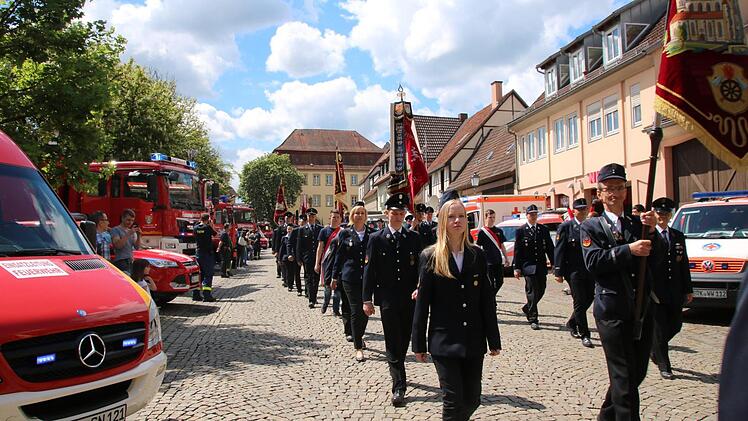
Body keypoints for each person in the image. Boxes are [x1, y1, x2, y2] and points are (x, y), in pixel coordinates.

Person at [580, 163, 662, 420]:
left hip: (640, 308)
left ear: (625, 192)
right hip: (612, 309)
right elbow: (593, 262)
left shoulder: (637, 224)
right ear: (600, 194)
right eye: (608, 189)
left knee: (636, 374)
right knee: (623, 378)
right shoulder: (591, 226)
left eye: (618, 188)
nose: (613, 193)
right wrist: (628, 250)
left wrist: (653, 233)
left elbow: (656, 260)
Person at [412, 198, 501, 421]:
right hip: (444, 340)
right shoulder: (430, 256)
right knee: (452, 400)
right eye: (451, 217)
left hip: (473, 338)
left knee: (472, 398)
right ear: (442, 222)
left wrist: (494, 339)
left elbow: (486, 300)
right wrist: (419, 344)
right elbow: (423, 304)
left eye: (461, 216)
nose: (457, 221)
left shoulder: (477, 255)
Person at [363, 193, 423, 407]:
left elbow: (420, 268)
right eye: (394, 213)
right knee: (392, 339)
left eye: (400, 213)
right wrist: (366, 299)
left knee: (404, 337)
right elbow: (369, 271)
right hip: (387, 297)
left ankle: (398, 367)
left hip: (409, 298)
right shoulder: (376, 239)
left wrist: (420, 287)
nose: (397, 217)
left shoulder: (413, 238)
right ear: (386, 214)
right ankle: (399, 385)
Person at [651, 197, 693, 380]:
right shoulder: (649, 235)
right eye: (659, 213)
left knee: (675, 325)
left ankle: (654, 349)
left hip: (675, 289)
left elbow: (683, 263)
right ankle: (664, 365)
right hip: (656, 291)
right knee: (659, 329)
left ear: (670, 215)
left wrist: (688, 288)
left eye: (666, 214)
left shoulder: (677, 235)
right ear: (654, 214)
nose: (662, 217)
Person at [333, 203, 372, 362]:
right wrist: (334, 276)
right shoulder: (345, 234)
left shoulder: (372, 234)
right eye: (357, 213)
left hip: (368, 278)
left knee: (366, 312)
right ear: (352, 216)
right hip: (350, 277)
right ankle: (358, 347)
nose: (360, 216)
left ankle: (359, 336)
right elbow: (339, 256)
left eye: (362, 213)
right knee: (356, 310)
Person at [554, 198, 594, 348]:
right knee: (579, 300)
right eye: (580, 209)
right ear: (574, 211)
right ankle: (584, 333)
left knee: (589, 298)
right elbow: (559, 249)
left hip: (589, 270)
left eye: (585, 209)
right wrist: (558, 270)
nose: (583, 211)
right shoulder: (567, 226)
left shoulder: (591, 226)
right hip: (573, 271)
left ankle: (572, 321)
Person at [513, 204, 554, 330]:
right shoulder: (521, 231)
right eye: (531, 214)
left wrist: (554, 263)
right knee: (531, 292)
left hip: (541, 266)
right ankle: (533, 318)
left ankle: (527, 308)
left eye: (535, 214)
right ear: (527, 215)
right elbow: (517, 251)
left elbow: (550, 248)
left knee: (541, 289)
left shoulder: (543, 230)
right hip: (528, 266)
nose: (533, 216)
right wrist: (517, 268)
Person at [475, 209, 509, 297]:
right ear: (486, 218)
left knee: (500, 282)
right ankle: (491, 301)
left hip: (497, 260)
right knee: (489, 282)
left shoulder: (499, 231)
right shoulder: (482, 232)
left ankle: (491, 297)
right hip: (487, 261)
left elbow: (502, 245)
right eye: (490, 217)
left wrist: (506, 258)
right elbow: (478, 247)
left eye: (493, 217)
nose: (492, 219)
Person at [317, 209, 343, 316]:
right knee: (327, 286)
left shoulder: (343, 232)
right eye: (333, 217)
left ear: (340, 219)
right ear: (330, 218)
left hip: (339, 263)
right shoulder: (324, 231)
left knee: (338, 287)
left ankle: (336, 309)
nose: (335, 219)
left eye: (337, 217)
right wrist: (317, 263)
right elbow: (320, 247)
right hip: (327, 262)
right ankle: (326, 303)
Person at [296, 209, 323, 307]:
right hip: (307, 258)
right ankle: (311, 299)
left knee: (316, 278)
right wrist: (299, 259)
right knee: (309, 278)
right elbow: (299, 245)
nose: (311, 218)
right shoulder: (302, 229)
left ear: (315, 217)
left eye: (313, 216)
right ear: (307, 217)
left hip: (318, 257)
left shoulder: (320, 229)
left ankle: (314, 297)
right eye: (309, 216)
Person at [193, 214, 217, 302]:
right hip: (207, 253)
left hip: (198, 253)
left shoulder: (195, 228)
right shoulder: (207, 227)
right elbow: (215, 234)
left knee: (200, 274)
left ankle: (196, 294)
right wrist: (210, 225)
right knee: (208, 274)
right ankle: (207, 295)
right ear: (208, 219)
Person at [111, 208, 141, 274]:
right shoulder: (115, 230)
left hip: (130, 260)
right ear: (122, 218)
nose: (130, 222)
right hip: (121, 261)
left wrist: (139, 236)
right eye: (128, 220)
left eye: (132, 220)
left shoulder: (131, 231)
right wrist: (128, 233)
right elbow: (118, 245)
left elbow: (137, 247)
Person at [288, 214, 306, 296]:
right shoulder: (295, 231)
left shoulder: (308, 230)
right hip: (296, 255)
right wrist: (290, 254)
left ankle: (308, 291)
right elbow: (289, 244)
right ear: (299, 222)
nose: (303, 223)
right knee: (297, 274)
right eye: (301, 222)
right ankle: (299, 289)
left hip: (306, 256)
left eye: (304, 222)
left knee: (307, 274)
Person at [279, 225, 296, 292]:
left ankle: (291, 283)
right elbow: (281, 249)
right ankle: (289, 285)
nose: (289, 230)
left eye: (290, 229)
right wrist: (279, 258)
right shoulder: (284, 238)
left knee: (292, 272)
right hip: (286, 257)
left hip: (293, 257)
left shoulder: (295, 238)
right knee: (288, 271)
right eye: (288, 229)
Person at [272, 214, 288, 279]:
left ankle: (284, 274)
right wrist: (274, 250)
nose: (280, 222)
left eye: (282, 221)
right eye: (279, 221)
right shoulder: (276, 230)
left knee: (283, 262)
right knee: (278, 261)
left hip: (284, 247)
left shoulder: (286, 229)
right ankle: (279, 273)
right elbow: (274, 240)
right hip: (278, 248)